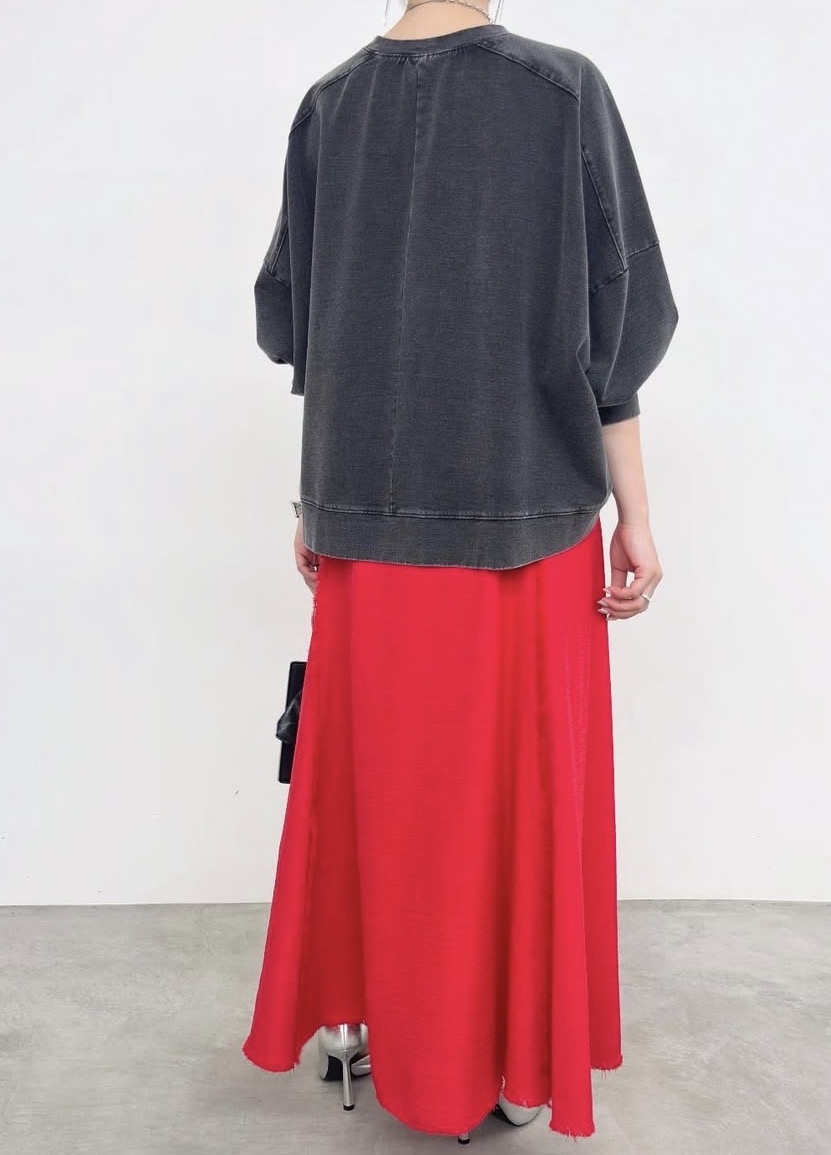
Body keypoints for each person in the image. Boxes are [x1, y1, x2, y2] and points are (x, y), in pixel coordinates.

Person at [243, 0, 679, 1144]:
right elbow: (619, 322)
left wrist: (314, 496)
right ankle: (511, 1058)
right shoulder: (559, 89)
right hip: (521, 509)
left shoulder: (328, 106)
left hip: (360, 514)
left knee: (379, 790)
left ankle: (363, 1018)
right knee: (512, 799)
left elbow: (299, 323)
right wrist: (635, 513)